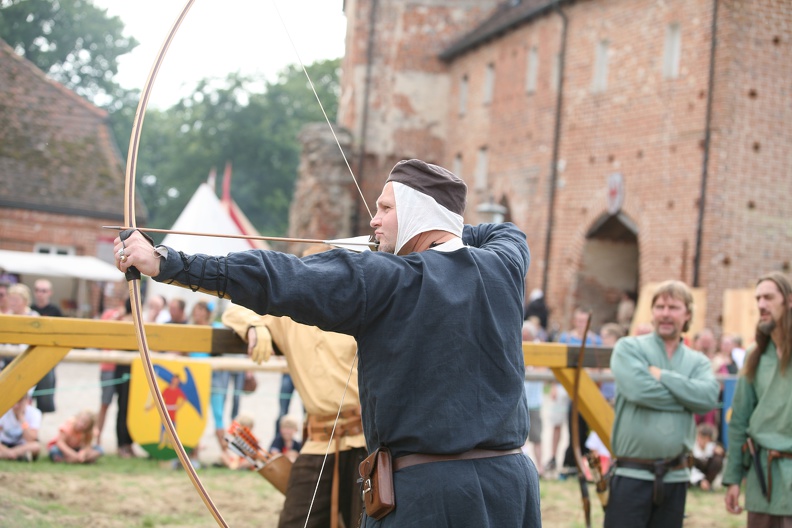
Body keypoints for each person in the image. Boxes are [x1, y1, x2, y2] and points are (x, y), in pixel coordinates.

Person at [115, 158, 540, 526]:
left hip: (429, 496)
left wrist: (166, 262)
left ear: (419, 213)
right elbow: (502, 230)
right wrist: (443, 230)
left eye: (386, 209)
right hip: (512, 487)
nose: (373, 221)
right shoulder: (504, 263)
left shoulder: (385, 278)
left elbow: (276, 276)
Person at [220, 263, 368, 528]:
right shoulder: (287, 316)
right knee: (296, 520)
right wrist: (256, 326)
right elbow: (234, 311)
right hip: (319, 443)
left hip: (366, 442)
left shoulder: (361, 302)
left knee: (369, 522)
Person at [605, 280, 719, 528]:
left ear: (687, 313)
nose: (665, 313)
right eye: (659, 306)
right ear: (652, 311)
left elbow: (708, 398)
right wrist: (687, 398)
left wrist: (663, 376)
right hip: (631, 474)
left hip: (676, 477)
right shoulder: (629, 348)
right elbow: (639, 391)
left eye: (674, 307)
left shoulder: (698, 362)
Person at [723, 272, 792, 525]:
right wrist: (732, 478)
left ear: (789, 300)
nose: (761, 305)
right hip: (763, 480)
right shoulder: (756, 354)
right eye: (758, 298)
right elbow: (739, 420)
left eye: (769, 298)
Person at [557, 307, 602, 478]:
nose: (582, 324)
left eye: (585, 321)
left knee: (589, 435)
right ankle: (569, 467)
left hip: (590, 393)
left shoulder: (596, 341)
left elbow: (598, 366)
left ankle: (587, 470)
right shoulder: (566, 338)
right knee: (573, 431)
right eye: (579, 321)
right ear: (574, 321)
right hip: (572, 392)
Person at [96, 298, 135, 458]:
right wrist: (118, 316)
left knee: (125, 406)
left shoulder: (133, 317)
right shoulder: (111, 315)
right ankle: (97, 440)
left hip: (123, 367)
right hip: (109, 366)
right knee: (105, 404)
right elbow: (103, 332)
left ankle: (125, 444)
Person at [30, 278, 61, 415]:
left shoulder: (55, 311)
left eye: (43, 291)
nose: (40, 294)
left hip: (47, 360)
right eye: (37, 290)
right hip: (30, 357)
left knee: (44, 399)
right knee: (26, 396)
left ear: (50, 293)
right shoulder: (29, 309)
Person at [522, 320, 544, 477]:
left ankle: (540, 467)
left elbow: (542, 368)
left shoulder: (538, 348)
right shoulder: (518, 344)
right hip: (521, 400)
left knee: (537, 437)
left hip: (534, 401)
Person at [0, 390, 42, 461]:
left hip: (21, 445)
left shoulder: (35, 413)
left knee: (36, 446)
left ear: (27, 400)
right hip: (4, 444)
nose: (16, 405)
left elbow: (31, 439)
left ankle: (8, 455)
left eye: (19, 401)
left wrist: (21, 418)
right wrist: (7, 451)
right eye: (14, 401)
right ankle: (17, 456)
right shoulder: (4, 411)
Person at [690, 423, 724, 491]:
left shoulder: (712, 447)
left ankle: (708, 484)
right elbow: (692, 469)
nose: (701, 440)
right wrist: (700, 480)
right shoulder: (691, 448)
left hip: (707, 476)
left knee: (718, 460)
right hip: (694, 476)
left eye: (705, 438)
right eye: (700, 437)